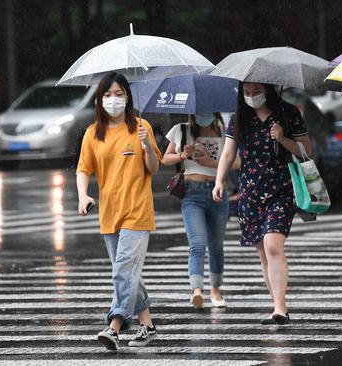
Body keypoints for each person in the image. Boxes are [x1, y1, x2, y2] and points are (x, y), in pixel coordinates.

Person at [76, 71, 162, 351]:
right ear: (99, 100)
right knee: (126, 271)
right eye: (108, 94)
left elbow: (154, 168)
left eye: (119, 94)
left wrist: (147, 145)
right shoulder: (93, 133)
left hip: (137, 211)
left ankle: (114, 325)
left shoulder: (141, 126)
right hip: (109, 213)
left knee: (123, 270)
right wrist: (83, 195)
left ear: (128, 97)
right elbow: (83, 169)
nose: (113, 99)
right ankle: (147, 326)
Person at [212, 82, 311, 324]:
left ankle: (280, 308)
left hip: (282, 189)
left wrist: (283, 138)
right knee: (264, 254)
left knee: (273, 245)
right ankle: (278, 306)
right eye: (246, 93)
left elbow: (306, 150)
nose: (251, 97)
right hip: (251, 191)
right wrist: (219, 181)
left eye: (256, 92)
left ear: (267, 89)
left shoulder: (288, 113)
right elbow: (228, 153)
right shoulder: (240, 117)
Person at [163, 113, 231, 309]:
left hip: (218, 191)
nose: (204, 113)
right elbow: (165, 158)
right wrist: (182, 155)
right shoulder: (181, 130)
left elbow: (237, 162)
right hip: (192, 192)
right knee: (197, 243)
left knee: (216, 245)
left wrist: (211, 163)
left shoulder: (225, 131)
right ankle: (197, 291)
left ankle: (216, 291)